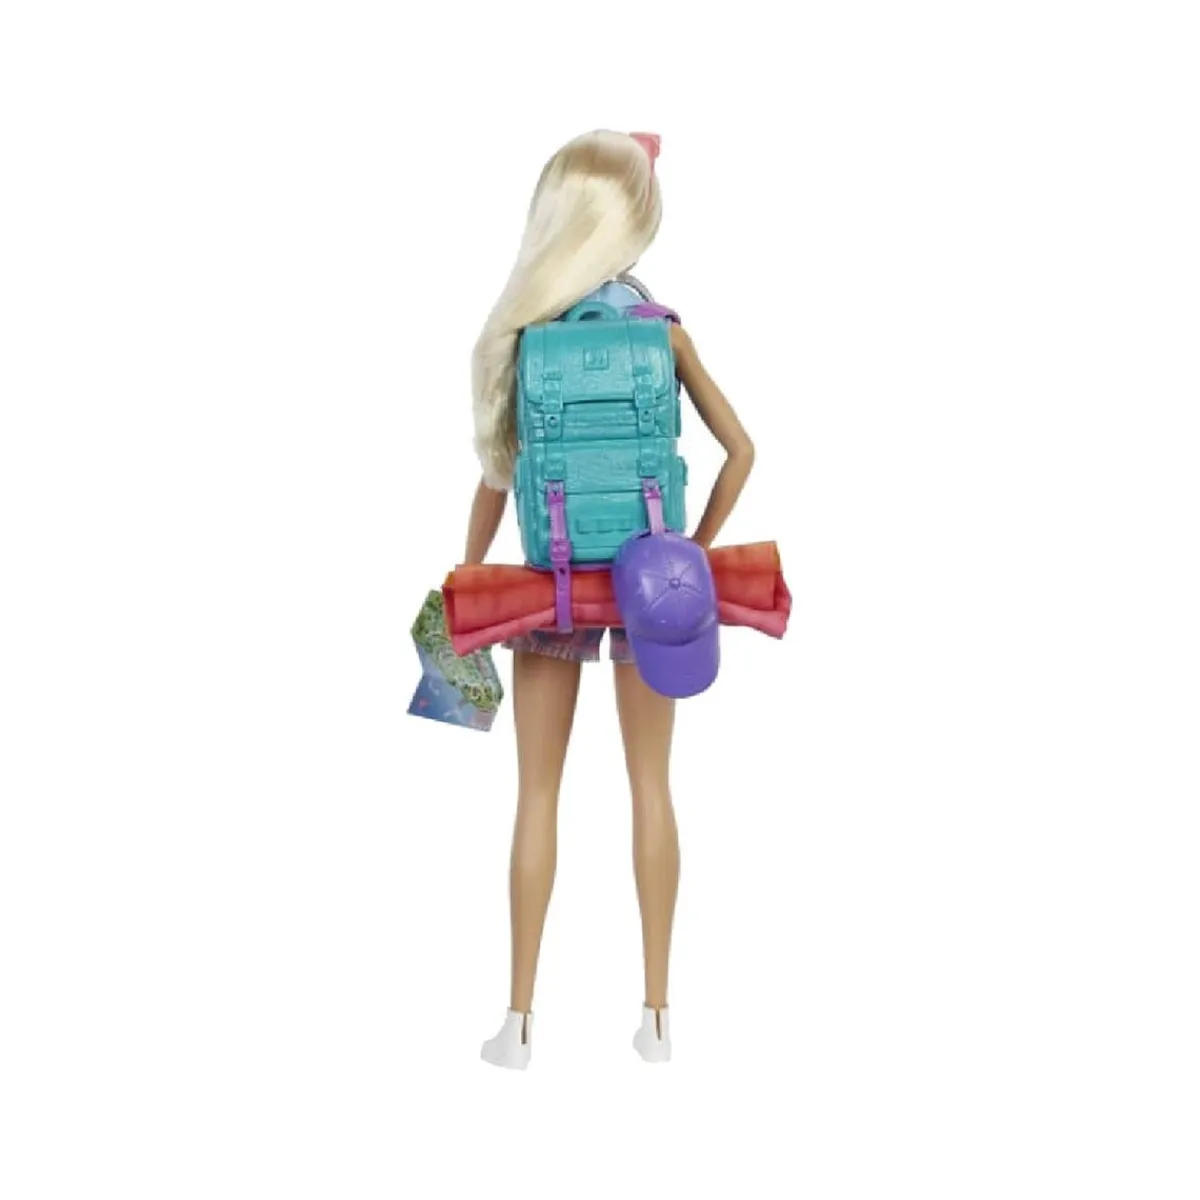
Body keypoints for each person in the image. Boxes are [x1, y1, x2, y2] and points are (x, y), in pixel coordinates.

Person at [462, 130, 755, 1068]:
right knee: (651, 787)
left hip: (546, 591)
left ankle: (518, 1023)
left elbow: (497, 476)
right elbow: (743, 451)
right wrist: (686, 551)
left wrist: (464, 575)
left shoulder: (530, 340)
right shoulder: (663, 335)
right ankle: (658, 1019)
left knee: (536, 794)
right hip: (648, 596)